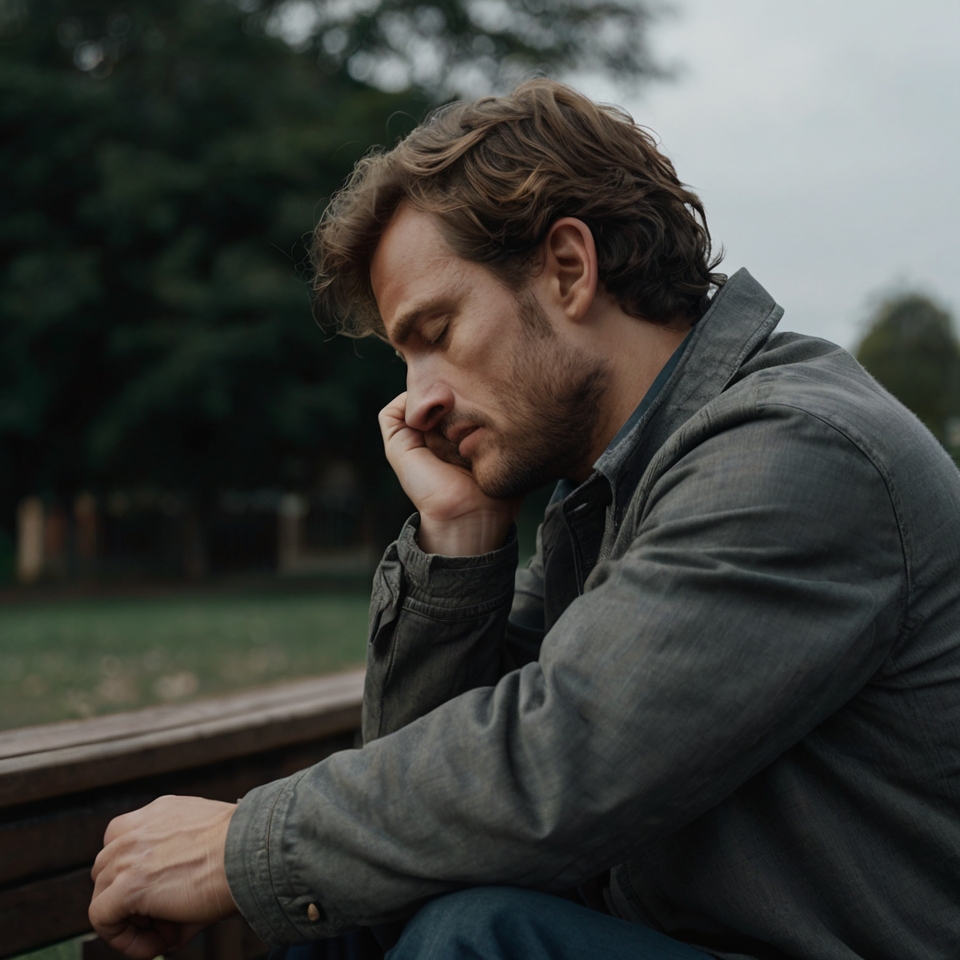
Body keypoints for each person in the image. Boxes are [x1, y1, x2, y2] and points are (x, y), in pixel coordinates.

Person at [89, 79, 960, 960]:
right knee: (365, 918)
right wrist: (461, 540)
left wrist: (244, 848)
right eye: (404, 356)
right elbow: (428, 809)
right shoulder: (615, 493)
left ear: (570, 270)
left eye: (438, 331)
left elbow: (563, 759)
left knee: (478, 941)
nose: (415, 402)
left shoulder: (798, 452)